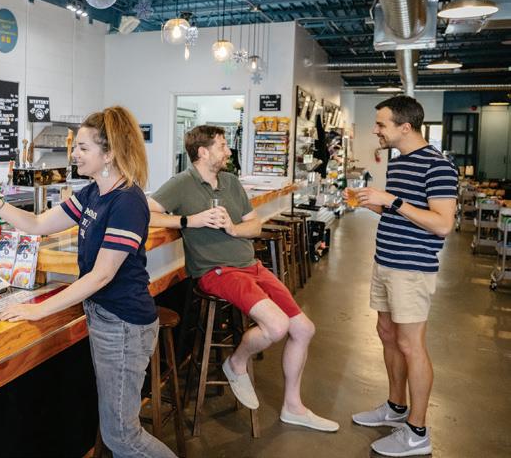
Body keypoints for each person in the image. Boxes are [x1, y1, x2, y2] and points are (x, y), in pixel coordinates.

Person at [0, 106, 177, 458]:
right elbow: (38, 224)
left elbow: (102, 274)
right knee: (118, 432)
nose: (74, 154)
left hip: (124, 325)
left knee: (123, 437)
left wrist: (40, 310)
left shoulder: (128, 201)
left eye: (83, 147)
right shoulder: (93, 193)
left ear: (109, 153)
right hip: (105, 318)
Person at [148, 125, 339, 433]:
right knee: (276, 326)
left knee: (304, 328)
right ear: (203, 152)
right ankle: (236, 363)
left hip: (251, 266)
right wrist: (188, 220)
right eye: (222, 146)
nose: (228, 151)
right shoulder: (182, 183)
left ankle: (293, 407)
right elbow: (147, 212)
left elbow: (254, 226)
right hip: (217, 271)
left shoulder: (231, 182)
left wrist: (233, 228)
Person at [350, 96, 457, 457]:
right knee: (387, 334)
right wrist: (377, 206)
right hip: (385, 261)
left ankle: (417, 432)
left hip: (411, 269)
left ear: (405, 127)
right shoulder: (398, 163)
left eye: (381, 124)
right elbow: (406, 213)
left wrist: (392, 201)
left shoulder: (438, 166)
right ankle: (396, 406)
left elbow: (442, 224)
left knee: (411, 345)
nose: (375, 130)